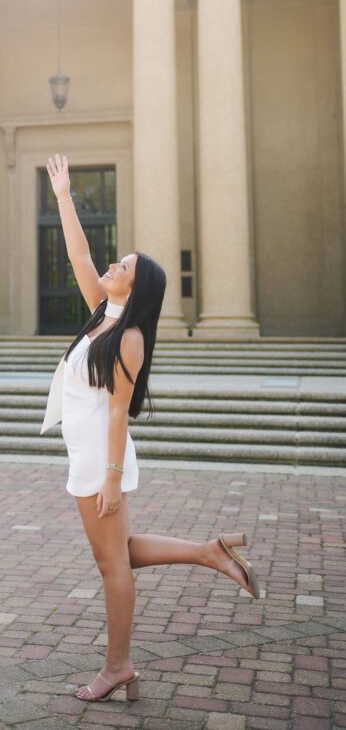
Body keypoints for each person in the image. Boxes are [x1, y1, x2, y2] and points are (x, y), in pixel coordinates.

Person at [46, 154, 261, 705]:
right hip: (89, 452)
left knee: (111, 563)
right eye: (117, 261)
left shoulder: (131, 337)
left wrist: (113, 479)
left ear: (136, 288)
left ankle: (118, 666)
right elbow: (79, 253)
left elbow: (118, 412)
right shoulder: (102, 313)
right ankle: (210, 552)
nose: (112, 267)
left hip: (101, 456)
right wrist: (65, 197)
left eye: (124, 266)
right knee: (118, 552)